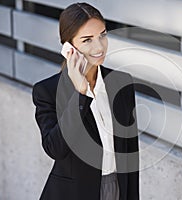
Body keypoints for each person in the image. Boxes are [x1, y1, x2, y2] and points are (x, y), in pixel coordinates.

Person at [32, 2, 139, 200]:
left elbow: (130, 153)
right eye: (87, 40)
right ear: (68, 46)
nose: (99, 46)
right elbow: (54, 149)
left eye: (103, 35)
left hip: (117, 189)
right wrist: (80, 94)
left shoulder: (122, 83)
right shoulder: (47, 91)